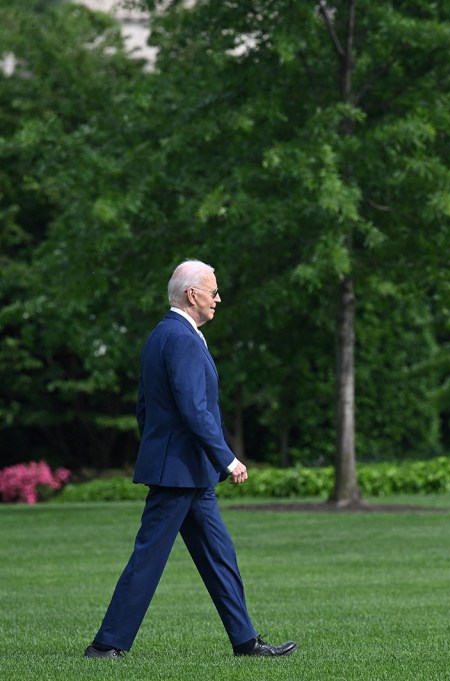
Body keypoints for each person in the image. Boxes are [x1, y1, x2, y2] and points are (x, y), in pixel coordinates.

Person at [84, 259, 296, 659]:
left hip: (190, 473)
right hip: (179, 473)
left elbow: (145, 408)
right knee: (148, 560)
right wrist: (228, 459)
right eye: (213, 291)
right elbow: (192, 409)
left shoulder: (165, 335)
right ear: (191, 294)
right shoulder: (179, 337)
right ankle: (106, 645)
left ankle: (246, 642)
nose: (218, 298)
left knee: (220, 557)